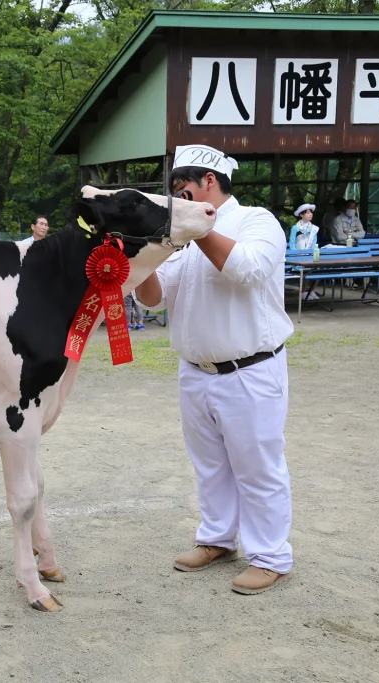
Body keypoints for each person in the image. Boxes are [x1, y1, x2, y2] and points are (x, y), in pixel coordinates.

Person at [133, 143, 295, 595]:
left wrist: (196, 228)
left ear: (209, 182)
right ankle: (219, 538)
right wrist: (137, 255)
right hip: (195, 370)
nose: (179, 203)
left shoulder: (257, 221)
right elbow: (154, 297)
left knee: (258, 466)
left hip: (250, 369)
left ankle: (270, 555)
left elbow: (245, 269)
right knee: (210, 466)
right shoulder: (179, 239)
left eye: (184, 191)